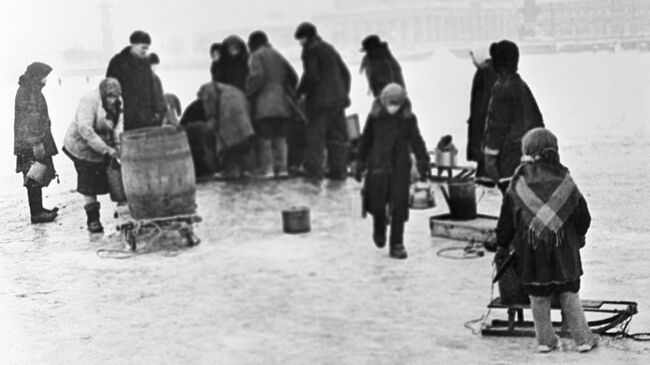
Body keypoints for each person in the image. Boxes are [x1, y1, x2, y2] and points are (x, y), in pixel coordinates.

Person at [495, 128, 597, 353]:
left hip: (531, 257)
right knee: (569, 297)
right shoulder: (565, 181)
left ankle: (545, 340)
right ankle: (583, 340)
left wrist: (502, 244)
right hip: (565, 257)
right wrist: (579, 236)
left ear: (528, 151)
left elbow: (506, 222)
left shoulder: (518, 183)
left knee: (538, 299)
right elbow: (583, 217)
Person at [353, 84, 430, 259]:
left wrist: (423, 160)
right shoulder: (375, 118)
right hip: (378, 167)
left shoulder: (408, 119)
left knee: (399, 206)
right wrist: (359, 162)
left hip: (400, 168)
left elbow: (417, 140)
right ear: (383, 101)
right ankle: (379, 228)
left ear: (402, 103)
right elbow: (366, 140)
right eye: (390, 103)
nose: (393, 107)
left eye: (397, 103)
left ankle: (397, 243)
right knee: (377, 204)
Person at [63, 78, 123, 233]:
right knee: (88, 181)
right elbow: (85, 130)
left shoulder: (118, 104)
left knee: (111, 176)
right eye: (110, 96)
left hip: (101, 144)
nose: (113, 100)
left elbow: (118, 127)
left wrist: (117, 147)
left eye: (116, 96)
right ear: (103, 94)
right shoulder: (89, 100)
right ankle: (93, 220)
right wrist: (106, 149)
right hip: (81, 146)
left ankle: (124, 213)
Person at [483, 40, 544, 193]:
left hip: (510, 163)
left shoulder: (503, 89)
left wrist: (490, 158)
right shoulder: (521, 86)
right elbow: (538, 123)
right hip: (529, 161)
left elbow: (496, 126)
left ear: (501, 62)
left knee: (513, 208)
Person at [295, 22, 352, 181]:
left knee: (316, 137)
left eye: (301, 40)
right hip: (338, 101)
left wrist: (300, 92)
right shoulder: (329, 48)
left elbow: (311, 75)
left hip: (320, 103)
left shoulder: (310, 51)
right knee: (338, 137)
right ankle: (339, 170)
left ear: (306, 38)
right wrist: (342, 93)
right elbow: (346, 73)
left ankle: (314, 170)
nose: (300, 44)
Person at [246, 31, 299, 179]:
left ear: (252, 44)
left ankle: (267, 170)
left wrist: (248, 93)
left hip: (265, 103)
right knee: (281, 137)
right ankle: (282, 169)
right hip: (282, 103)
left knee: (265, 138)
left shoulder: (257, 56)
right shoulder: (277, 54)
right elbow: (293, 76)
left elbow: (258, 77)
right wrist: (286, 90)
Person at [14, 62, 59, 224]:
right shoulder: (28, 92)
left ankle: (39, 209)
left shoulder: (30, 90)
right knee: (33, 174)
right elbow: (28, 121)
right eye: (43, 76)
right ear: (36, 76)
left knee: (36, 172)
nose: (45, 80)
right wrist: (36, 143)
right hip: (31, 142)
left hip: (32, 140)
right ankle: (36, 213)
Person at [106, 30, 167, 131]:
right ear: (133, 45)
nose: (145, 51)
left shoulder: (146, 64)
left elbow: (152, 90)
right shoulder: (118, 62)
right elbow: (110, 89)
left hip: (146, 117)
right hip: (126, 116)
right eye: (143, 47)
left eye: (147, 48)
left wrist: (158, 112)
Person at [198, 81, 255, 179]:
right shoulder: (231, 91)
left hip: (230, 119)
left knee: (230, 147)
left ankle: (232, 172)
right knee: (243, 146)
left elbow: (211, 107)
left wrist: (210, 117)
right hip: (243, 121)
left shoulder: (210, 92)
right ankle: (246, 170)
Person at [467, 49, 498, 181]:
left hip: (484, 120)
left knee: (484, 150)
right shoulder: (487, 71)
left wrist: (479, 118)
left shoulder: (486, 73)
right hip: (482, 118)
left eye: (474, 57)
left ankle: (485, 177)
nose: (473, 61)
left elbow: (484, 99)